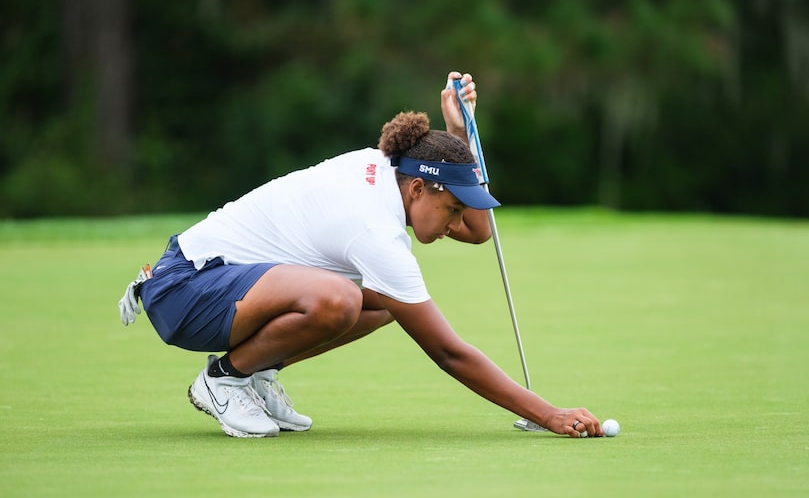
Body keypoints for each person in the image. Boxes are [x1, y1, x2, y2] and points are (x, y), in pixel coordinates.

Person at [118, 71, 602, 439]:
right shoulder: (374, 229)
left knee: (382, 301)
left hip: (215, 286)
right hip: (184, 291)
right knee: (342, 299)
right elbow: (449, 353)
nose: (457, 224)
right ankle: (225, 378)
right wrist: (548, 413)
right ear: (418, 189)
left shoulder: (388, 168)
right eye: (452, 209)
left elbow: (479, 231)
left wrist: (458, 131)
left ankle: (254, 372)